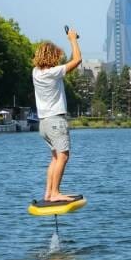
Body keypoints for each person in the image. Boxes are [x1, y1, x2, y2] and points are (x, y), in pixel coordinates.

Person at [32, 28, 82, 202]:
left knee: (55, 157)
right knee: (63, 156)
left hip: (43, 124)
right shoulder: (53, 73)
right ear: (52, 57)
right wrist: (73, 39)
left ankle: (48, 192)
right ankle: (54, 193)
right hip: (56, 121)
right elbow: (77, 60)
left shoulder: (36, 73)